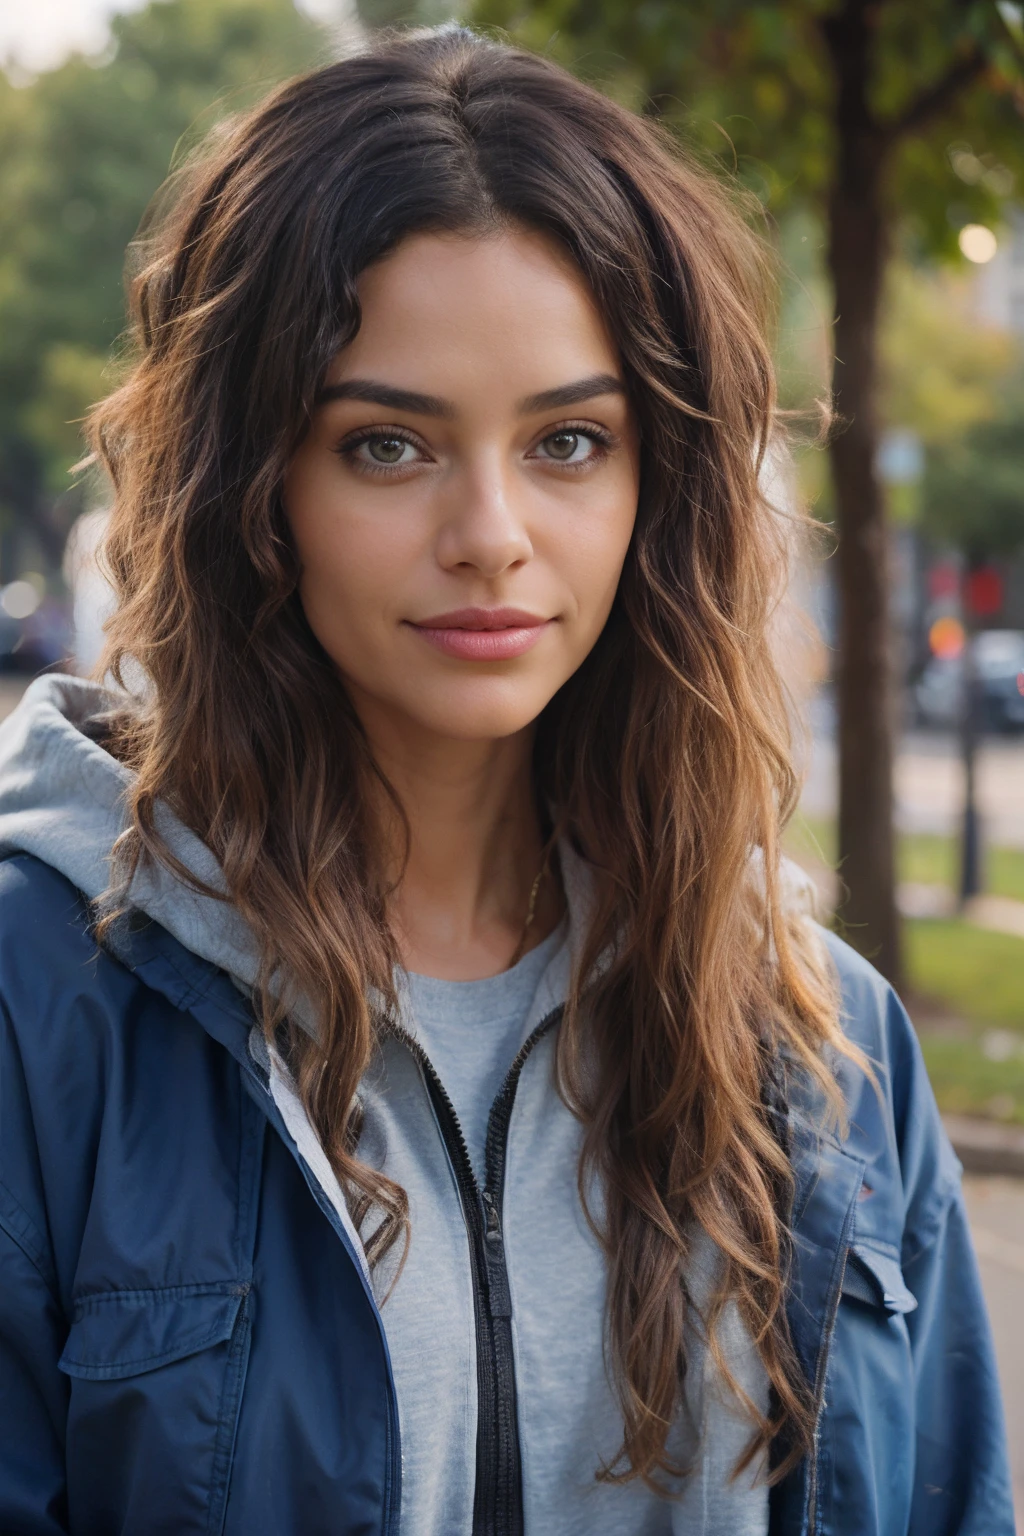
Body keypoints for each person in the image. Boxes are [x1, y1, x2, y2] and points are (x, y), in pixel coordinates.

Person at [0, 26, 1012, 1536]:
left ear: (655, 487)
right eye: (390, 445)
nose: (492, 531)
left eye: (569, 441)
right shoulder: (40, 1001)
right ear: (249, 486)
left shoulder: (823, 1045)